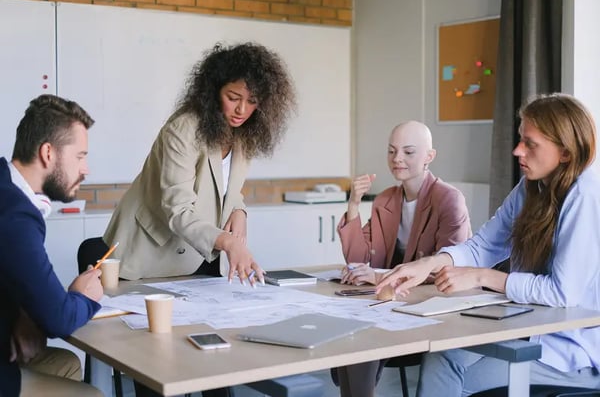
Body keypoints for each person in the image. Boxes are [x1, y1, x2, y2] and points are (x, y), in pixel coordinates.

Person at [377, 93, 600, 396]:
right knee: (443, 357)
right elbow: (484, 245)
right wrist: (429, 263)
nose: (517, 150)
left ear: (565, 152)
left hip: (571, 352)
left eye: (530, 144)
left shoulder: (584, 196)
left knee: (453, 374)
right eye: (521, 139)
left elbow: (562, 293)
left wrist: (483, 277)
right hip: (530, 332)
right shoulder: (531, 187)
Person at [103, 42, 296, 287]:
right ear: (214, 92)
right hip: (149, 252)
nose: (242, 109)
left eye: (252, 101)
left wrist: (239, 210)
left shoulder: (244, 132)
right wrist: (230, 242)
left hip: (196, 254)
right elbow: (179, 209)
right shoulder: (183, 130)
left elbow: (226, 187)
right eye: (233, 97)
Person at [333, 121, 472, 397]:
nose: (397, 159)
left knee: (363, 334)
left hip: (433, 306)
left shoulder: (449, 200)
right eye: (392, 151)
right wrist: (352, 205)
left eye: (408, 152)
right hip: (393, 301)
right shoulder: (385, 199)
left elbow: (451, 267)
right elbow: (359, 259)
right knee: (351, 328)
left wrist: (378, 276)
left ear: (429, 157)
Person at [0, 94, 103, 396]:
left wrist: (21, 314)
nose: (86, 169)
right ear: (48, 153)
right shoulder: (15, 216)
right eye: (80, 156)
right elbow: (59, 318)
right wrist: (85, 297)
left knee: (67, 364)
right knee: (93, 394)